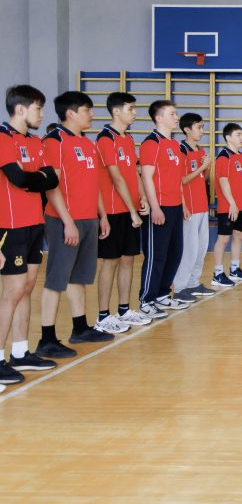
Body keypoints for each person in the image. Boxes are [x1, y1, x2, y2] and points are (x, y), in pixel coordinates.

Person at [37, 91, 113, 359]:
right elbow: (51, 186)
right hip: (64, 220)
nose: (91, 115)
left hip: (88, 218)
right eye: (87, 110)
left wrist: (102, 215)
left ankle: (80, 328)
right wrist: (67, 221)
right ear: (71, 113)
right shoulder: (54, 141)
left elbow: (94, 184)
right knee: (56, 279)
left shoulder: (87, 143)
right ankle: (46, 338)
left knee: (78, 276)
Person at [0, 85, 59, 382]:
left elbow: (52, 179)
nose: (42, 114)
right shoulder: (2, 138)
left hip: (34, 223)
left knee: (26, 288)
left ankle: (21, 352)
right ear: (21, 109)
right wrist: (34, 178)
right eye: (38, 108)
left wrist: (31, 178)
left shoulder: (35, 142)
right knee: (12, 292)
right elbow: (17, 177)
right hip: (9, 226)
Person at [94, 92, 150, 334]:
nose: (134, 113)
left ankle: (124, 309)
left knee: (128, 259)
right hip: (113, 210)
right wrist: (132, 210)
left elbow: (134, 173)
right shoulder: (105, 138)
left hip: (131, 208)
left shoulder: (128, 139)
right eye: (130, 108)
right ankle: (103, 316)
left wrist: (143, 197)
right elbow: (116, 178)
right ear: (116, 111)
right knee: (111, 261)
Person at [138, 100, 189, 317]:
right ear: (159, 118)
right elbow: (146, 177)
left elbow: (177, 178)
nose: (176, 118)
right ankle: (146, 300)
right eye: (172, 114)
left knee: (174, 253)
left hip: (175, 206)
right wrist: (155, 207)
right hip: (160, 207)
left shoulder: (175, 145)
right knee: (156, 255)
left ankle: (161, 294)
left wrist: (183, 204)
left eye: (176, 114)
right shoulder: (151, 143)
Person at [172, 112, 215, 303]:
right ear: (187, 129)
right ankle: (179, 287)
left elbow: (201, 178)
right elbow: (181, 180)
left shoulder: (200, 149)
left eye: (203, 127)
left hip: (202, 205)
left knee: (201, 248)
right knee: (189, 249)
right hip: (189, 206)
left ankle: (193, 283)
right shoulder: (181, 150)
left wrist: (206, 167)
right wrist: (202, 167)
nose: (202, 131)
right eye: (199, 127)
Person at [212, 123, 242, 288]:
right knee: (223, 239)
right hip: (229, 206)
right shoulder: (223, 157)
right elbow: (223, 182)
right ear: (228, 137)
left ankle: (235, 269)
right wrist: (232, 203)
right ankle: (217, 274)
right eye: (238, 135)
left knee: (239, 236)